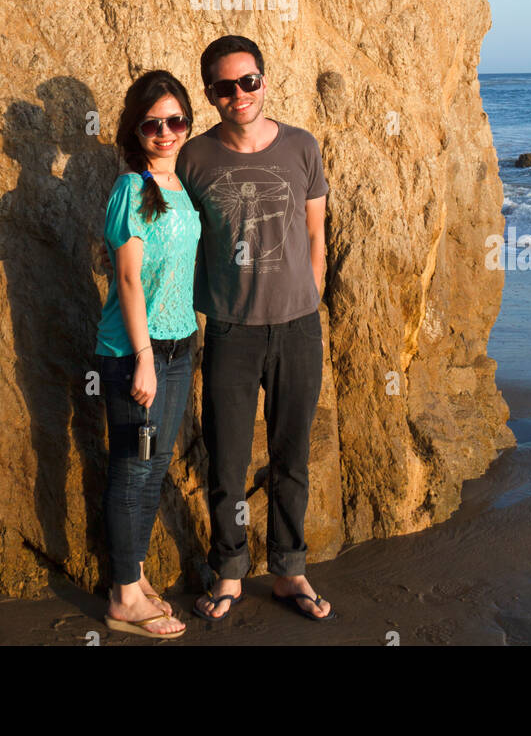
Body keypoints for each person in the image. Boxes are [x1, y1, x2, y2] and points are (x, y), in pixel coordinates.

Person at [177, 36, 336, 622]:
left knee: (292, 455)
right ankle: (229, 573)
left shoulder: (301, 147)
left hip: (297, 328)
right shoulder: (193, 158)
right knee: (227, 459)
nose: (238, 94)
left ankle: (290, 571)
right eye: (224, 86)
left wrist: (311, 292)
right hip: (230, 332)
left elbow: (316, 232)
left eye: (248, 81)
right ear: (210, 95)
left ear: (264, 82)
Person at [96, 70, 200, 638]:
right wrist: (142, 357)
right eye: (153, 124)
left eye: (175, 121)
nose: (165, 132)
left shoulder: (180, 187)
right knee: (132, 468)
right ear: (137, 131)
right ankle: (122, 597)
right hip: (138, 350)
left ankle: (134, 578)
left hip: (182, 344)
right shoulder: (129, 189)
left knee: (153, 465)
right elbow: (130, 280)